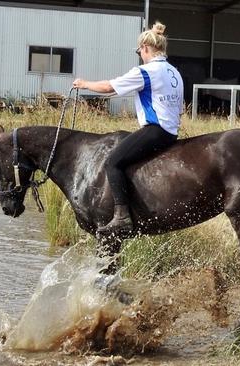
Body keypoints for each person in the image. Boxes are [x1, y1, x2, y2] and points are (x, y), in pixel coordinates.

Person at [73, 21, 184, 236]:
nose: (140, 54)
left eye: (139, 51)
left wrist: (84, 84)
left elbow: (108, 87)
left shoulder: (147, 71)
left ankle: (122, 217)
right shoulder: (174, 73)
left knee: (113, 162)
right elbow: (178, 108)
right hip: (171, 132)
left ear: (145, 48)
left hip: (155, 130)